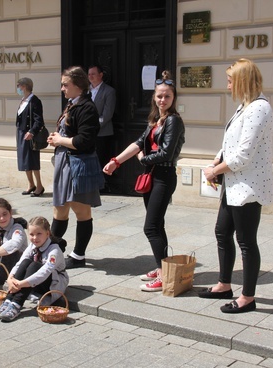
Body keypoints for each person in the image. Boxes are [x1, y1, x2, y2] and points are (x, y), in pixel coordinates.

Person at [198, 59, 273, 314]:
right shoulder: (246, 107)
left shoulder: (259, 108)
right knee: (222, 232)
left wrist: (214, 170)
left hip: (248, 186)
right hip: (233, 184)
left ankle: (248, 297)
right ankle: (224, 284)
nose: (228, 85)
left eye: (231, 80)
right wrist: (217, 159)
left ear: (242, 81)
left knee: (246, 241)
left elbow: (244, 154)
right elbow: (231, 142)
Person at [103, 70, 185, 292]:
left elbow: (167, 153)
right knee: (157, 225)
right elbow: (138, 143)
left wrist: (143, 159)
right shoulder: (155, 121)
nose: (162, 99)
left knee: (150, 227)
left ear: (173, 98)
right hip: (153, 176)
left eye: (167, 96)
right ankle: (164, 268)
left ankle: (163, 274)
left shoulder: (173, 121)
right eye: (159, 95)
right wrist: (115, 161)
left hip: (164, 176)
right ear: (154, 97)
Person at [47, 66, 103, 269]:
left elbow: (85, 140)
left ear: (78, 85)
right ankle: (50, 250)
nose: (62, 88)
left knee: (81, 209)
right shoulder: (72, 104)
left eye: (65, 84)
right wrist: (57, 139)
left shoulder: (87, 107)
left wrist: (61, 139)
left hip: (79, 164)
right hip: (66, 162)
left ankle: (78, 255)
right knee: (59, 208)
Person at [0, 216, 69, 322]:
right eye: (31, 234)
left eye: (39, 234)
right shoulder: (32, 246)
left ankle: (17, 304)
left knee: (34, 265)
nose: (35, 238)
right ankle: (8, 301)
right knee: (26, 262)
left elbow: (44, 272)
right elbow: (20, 263)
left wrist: (21, 284)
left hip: (52, 284)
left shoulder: (54, 250)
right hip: (33, 282)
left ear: (47, 233)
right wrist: (10, 278)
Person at [88, 65, 116, 193]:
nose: (90, 76)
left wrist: (93, 126)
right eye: (89, 74)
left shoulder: (108, 91)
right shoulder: (85, 91)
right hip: (87, 132)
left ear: (100, 75)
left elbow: (107, 114)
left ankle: (101, 185)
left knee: (100, 158)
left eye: (93, 74)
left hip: (102, 132)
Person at [15, 77, 45, 197]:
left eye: (19, 86)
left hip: (30, 135)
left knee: (32, 161)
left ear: (25, 86)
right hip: (21, 133)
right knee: (24, 161)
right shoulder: (23, 100)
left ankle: (39, 186)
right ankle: (30, 184)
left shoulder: (35, 101)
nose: (18, 89)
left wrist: (32, 131)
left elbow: (39, 120)